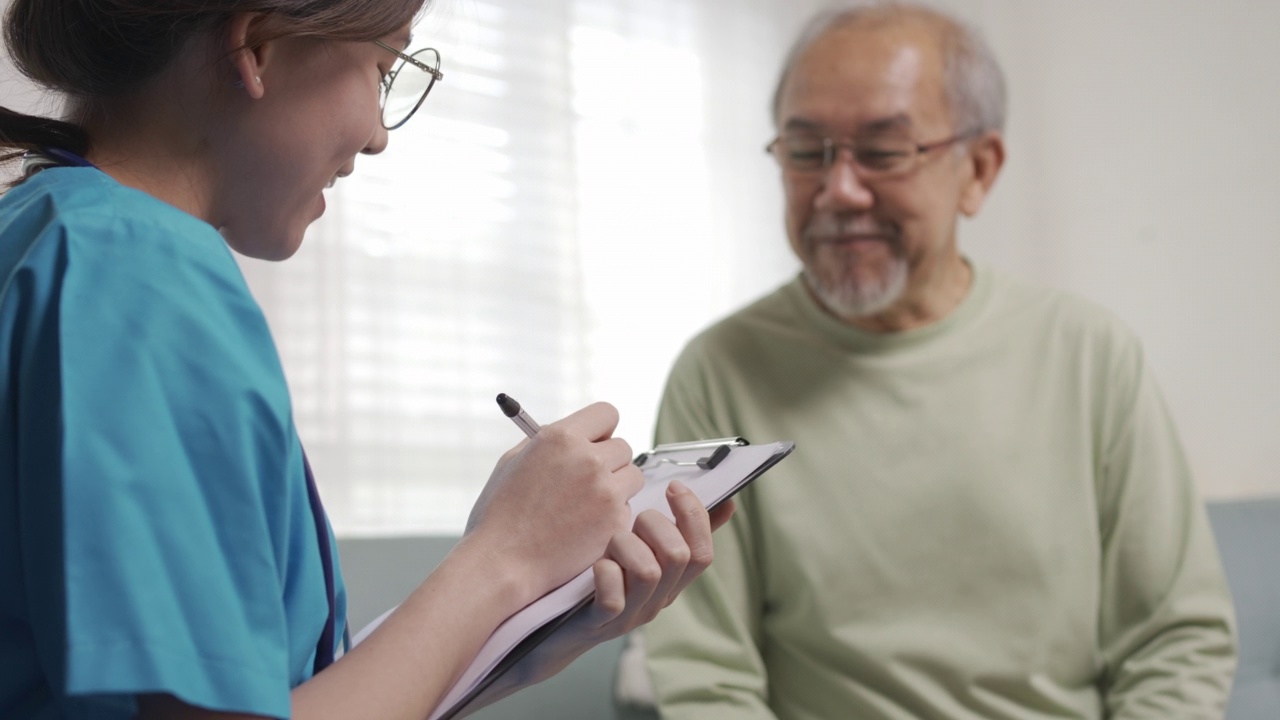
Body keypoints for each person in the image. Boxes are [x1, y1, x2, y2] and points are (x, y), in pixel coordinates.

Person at [0, 1, 733, 718]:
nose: (379, 136)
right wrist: (500, 562)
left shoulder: (51, 236)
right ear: (254, 47)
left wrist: (529, 628)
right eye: (383, 67)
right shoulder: (141, 273)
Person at [636, 3, 1237, 718]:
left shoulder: (1088, 354)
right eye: (806, 152)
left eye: (883, 152)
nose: (839, 191)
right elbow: (708, 680)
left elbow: (1177, 641)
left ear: (978, 169)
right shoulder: (719, 371)